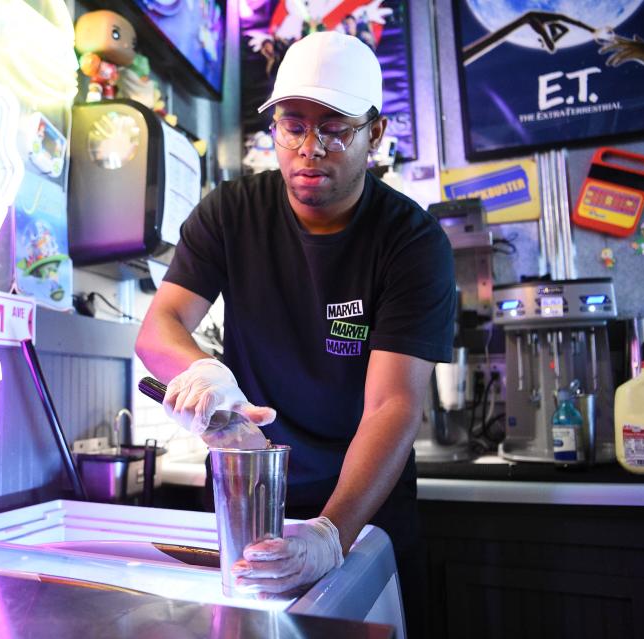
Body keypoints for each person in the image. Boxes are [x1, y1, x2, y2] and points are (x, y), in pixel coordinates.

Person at [135, 31, 455, 638]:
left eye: (334, 129)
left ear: (374, 133)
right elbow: (161, 327)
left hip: (364, 505)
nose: (310, 149)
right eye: (292, 125)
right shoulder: (230, 213)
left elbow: (394, 403)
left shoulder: (411, 243)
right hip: (252, 487)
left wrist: (333, 533)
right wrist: (203, 373)